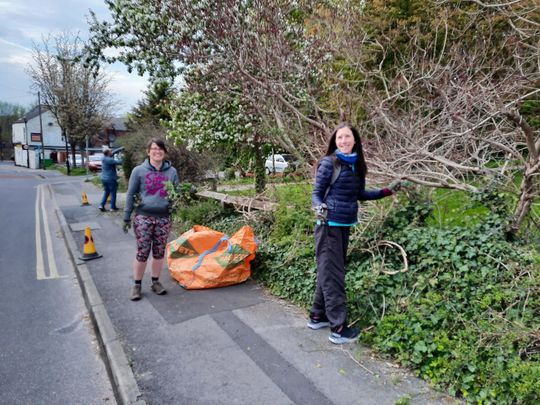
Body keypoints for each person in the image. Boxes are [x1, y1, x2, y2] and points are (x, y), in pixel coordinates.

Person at [309, 122, 401, 344]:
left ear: (355, 140)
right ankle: (338, 328)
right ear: (335, 141)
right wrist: (320, 209)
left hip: (344, 224)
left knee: (329, 271)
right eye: (339, 138)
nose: (343, 141)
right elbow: (316, 194)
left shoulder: (356, 165)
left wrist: (386, 191)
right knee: (334, 275)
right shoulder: (329, 163)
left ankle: (317, 315)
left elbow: (359, 194)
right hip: (329, 225)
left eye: (347, 137)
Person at [123, 139, 179, 301]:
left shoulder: (172, 172)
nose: (157, 152)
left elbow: (176, 193)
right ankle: (137, 285)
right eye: (154, 149)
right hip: (143, 217)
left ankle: (155, 282)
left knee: (159, 253)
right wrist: (127, 216)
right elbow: (130, 194)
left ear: (164, 152)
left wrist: (183, 194)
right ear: (148, 152)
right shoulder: (138, 171)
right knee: (142, 252)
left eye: (160, 149)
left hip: (163, 218)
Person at [99, 146, 122, 212]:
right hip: (111, 179)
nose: (111, 151)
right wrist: (125, 158)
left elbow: (112, 153)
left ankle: (101, 205)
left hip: (104, 178)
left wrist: (120, 149)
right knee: (113, 192)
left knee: (106, 192)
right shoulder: (110, 160)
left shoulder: (103, 158)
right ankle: (112, 207)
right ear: (108, 152)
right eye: (110, 150)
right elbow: (120, 162)